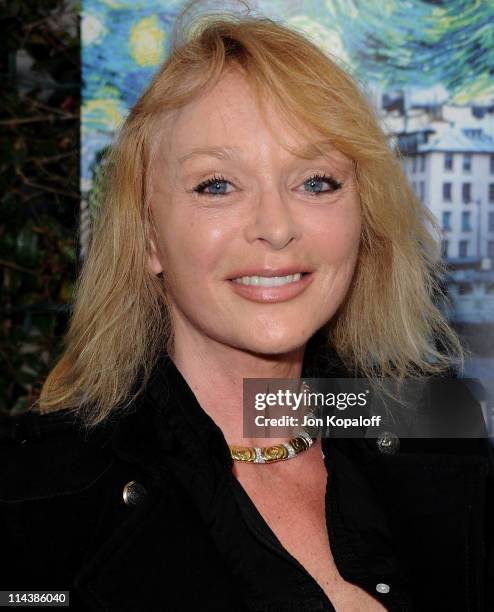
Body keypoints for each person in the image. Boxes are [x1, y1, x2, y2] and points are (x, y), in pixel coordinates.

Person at [1, 11, 493, 612]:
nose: (276, 227)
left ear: (363, 220)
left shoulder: (439, 429)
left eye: (315, 182)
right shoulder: (34, 501)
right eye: (216, 185)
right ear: (149, 237)